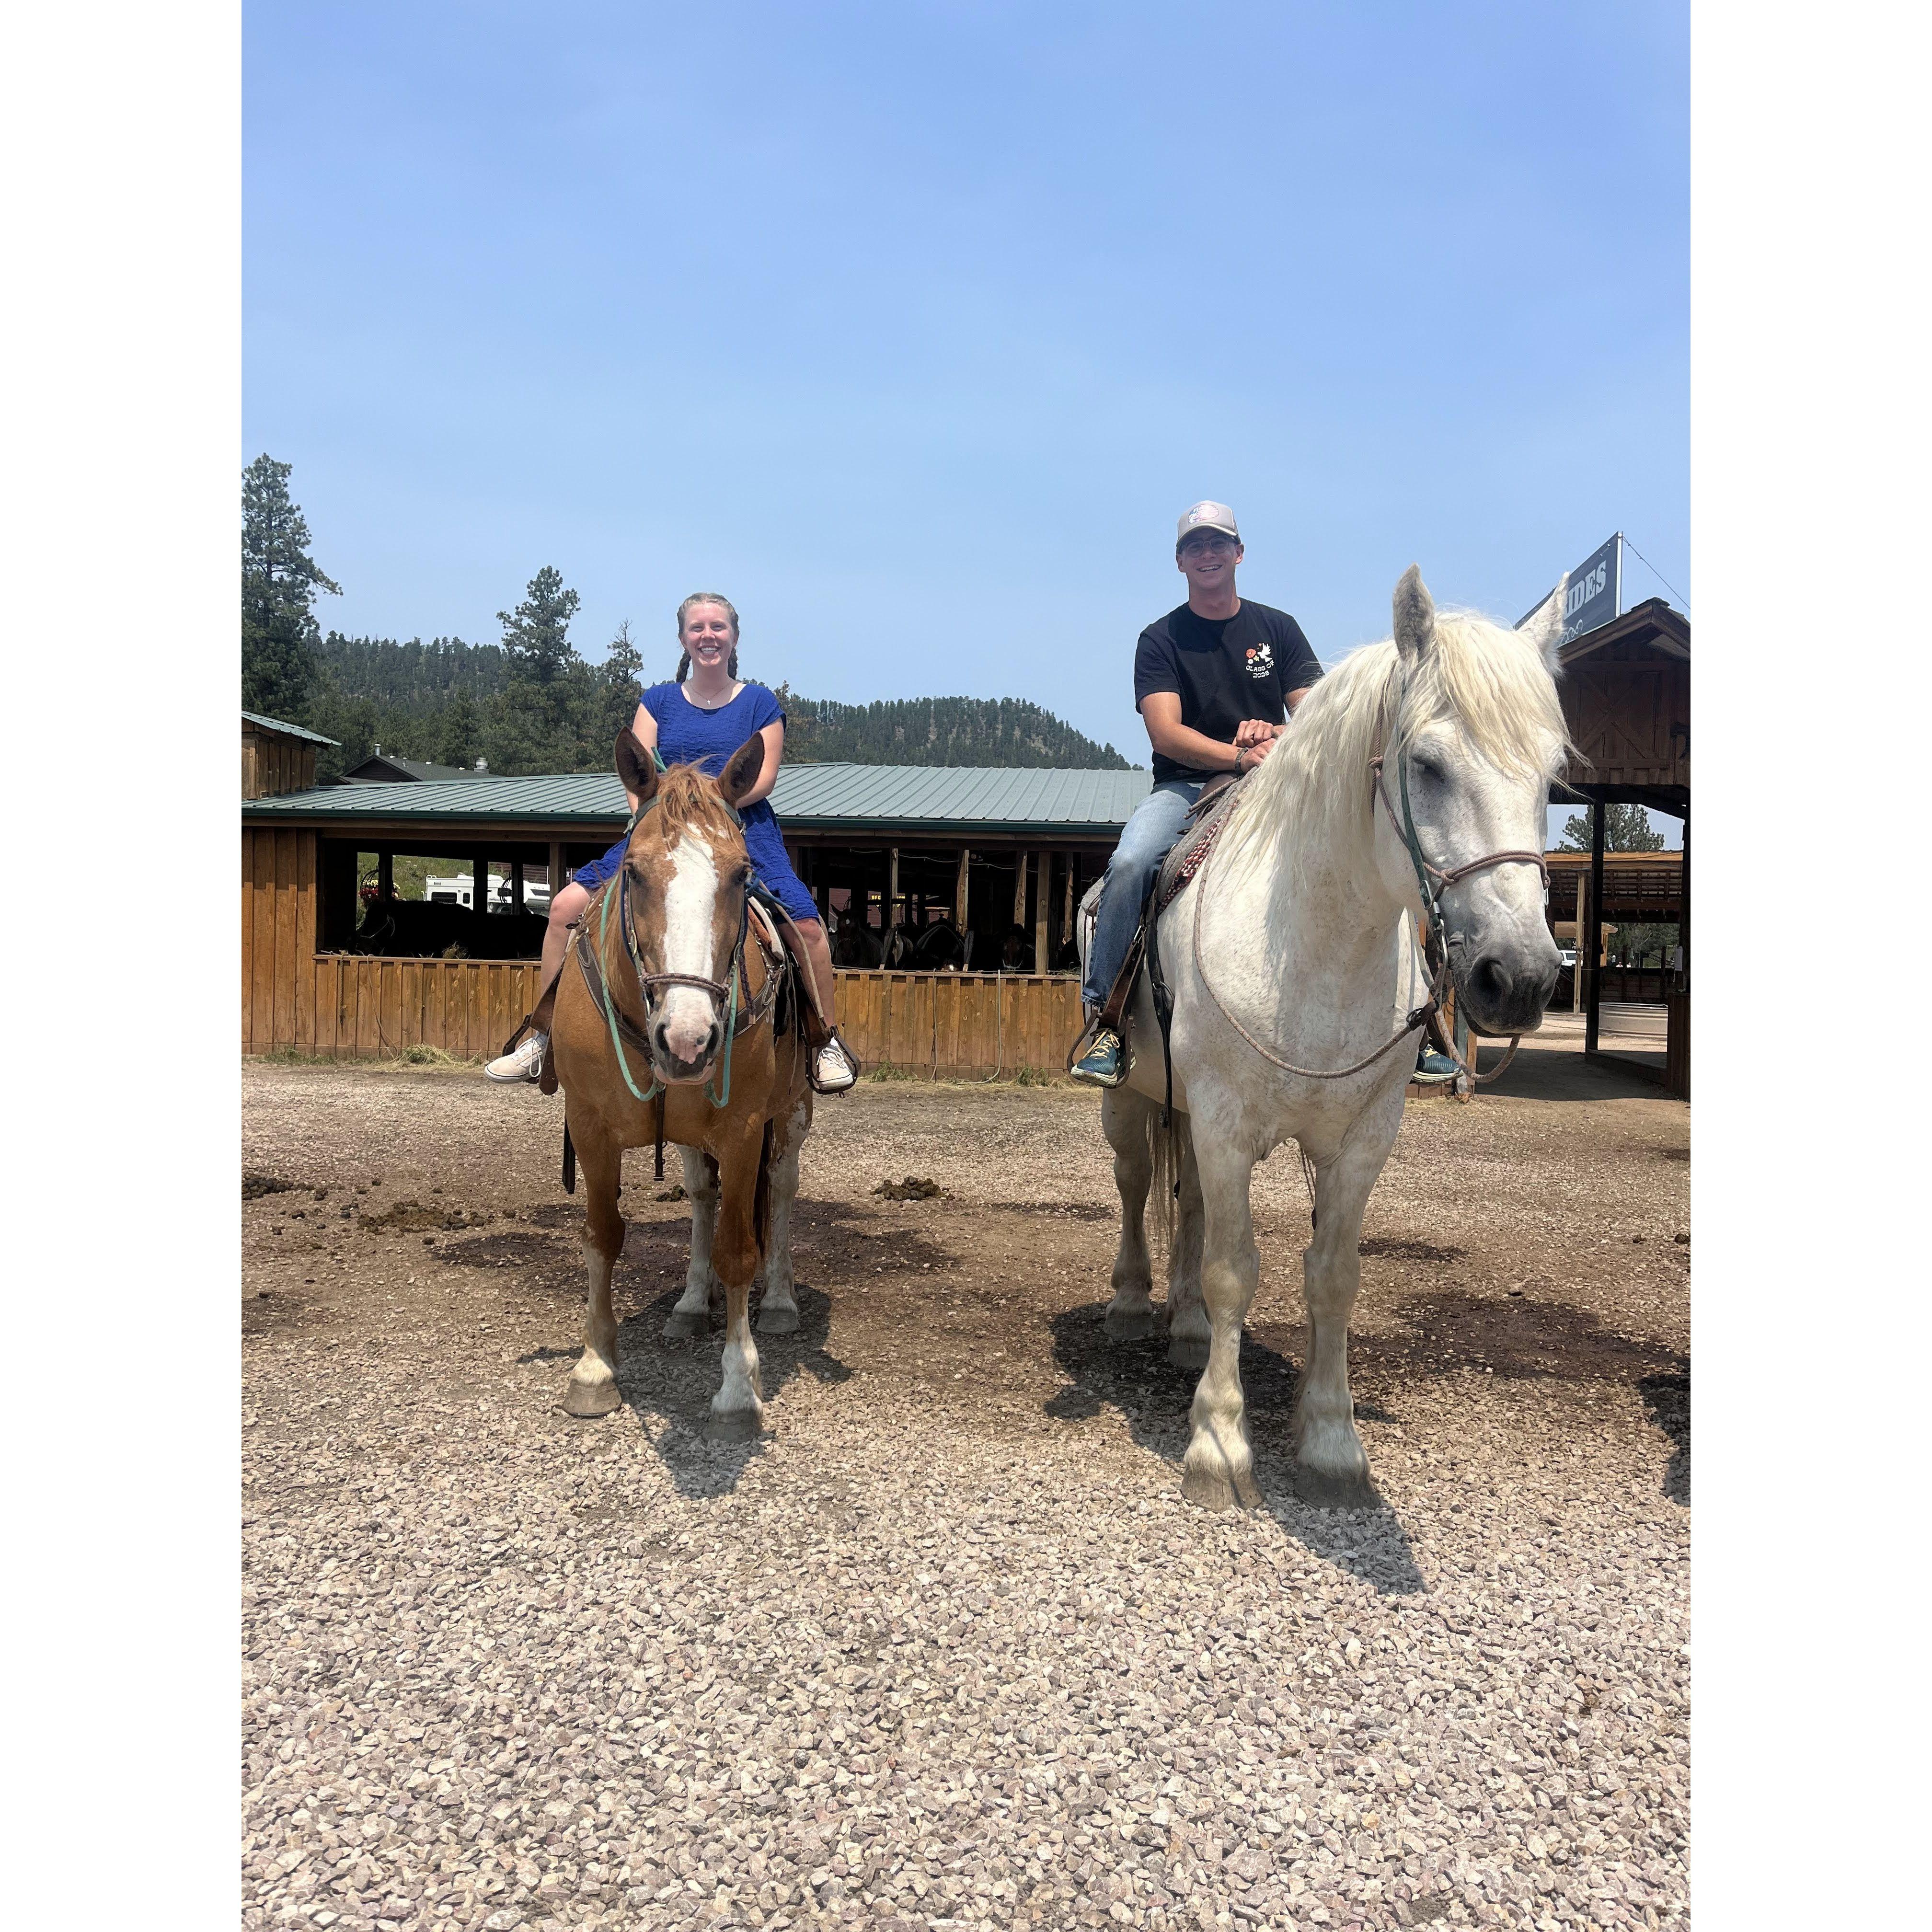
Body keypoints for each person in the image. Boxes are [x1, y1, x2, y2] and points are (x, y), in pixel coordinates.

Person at [486, 592, 860, 1092]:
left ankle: (823, 1043)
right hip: (663, 831)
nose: (709, 635)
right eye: (698, 627)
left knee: (809, 931)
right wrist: (659, 827)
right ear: (684, 638)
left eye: (718, 627)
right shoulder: (657, 701)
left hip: (742, 832)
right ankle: (544, 1037)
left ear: (734, 637)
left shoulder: (759, 704)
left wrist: (710, 812)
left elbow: (763, 778)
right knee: (562, 908)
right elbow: (638, 778)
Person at [1070, 502, 1322, 1087]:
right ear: (1180, 562)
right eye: (1195, 547)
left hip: (1275, 781)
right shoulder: (1160, 639)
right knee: (1132, 863)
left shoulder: (1277, 628)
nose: (1207, 555)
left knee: (1366, 837)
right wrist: (1236, 755)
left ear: (1239, 553)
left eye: (1218, 544)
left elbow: (1317, 716)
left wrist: (1274, 734)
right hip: (1184, 787)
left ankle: (1417, 1026)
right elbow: (1166, 733)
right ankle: (1106, 1021)